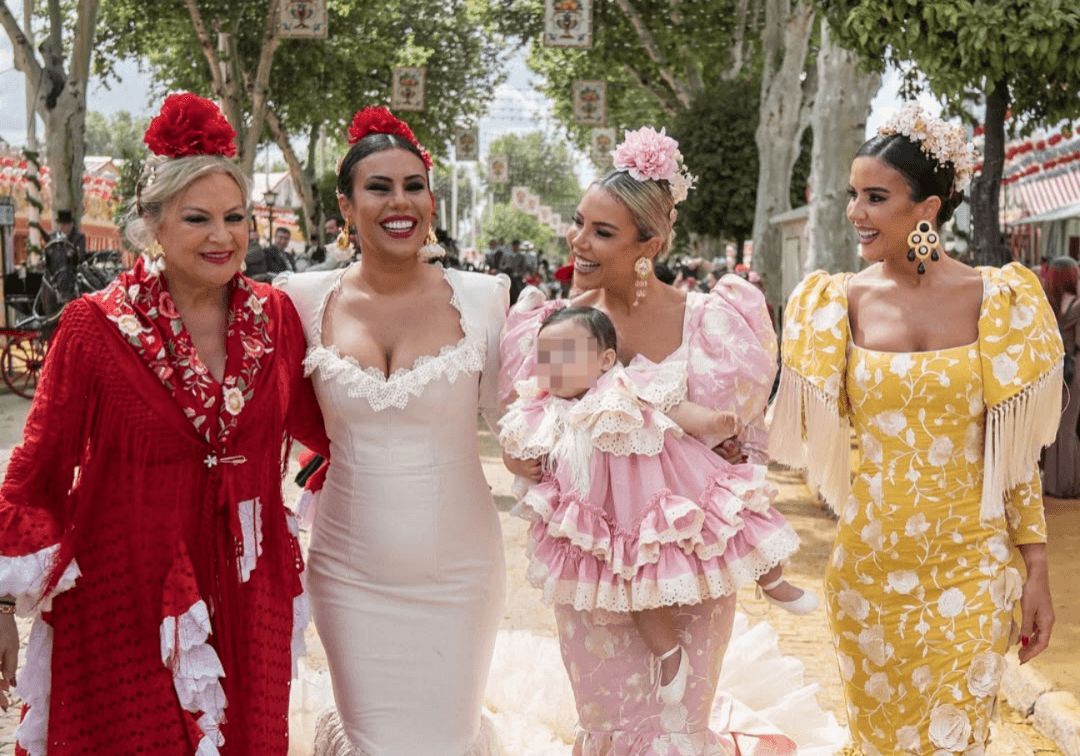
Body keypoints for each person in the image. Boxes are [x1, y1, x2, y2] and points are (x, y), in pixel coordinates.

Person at [0, 92, 327, 754]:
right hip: (124, 596)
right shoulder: (94, 327)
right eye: (197, 218)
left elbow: (329, 434)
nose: (222, 236)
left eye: (235, 218)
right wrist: (3, 606)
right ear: (152, 226)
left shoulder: (278, 318)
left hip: (250, 589)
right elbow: (37, 469)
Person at [500, 126, 802, 752]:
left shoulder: (713, 322)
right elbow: (527, 446)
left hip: (690, 570)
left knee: (680, 727)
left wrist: (717, 439)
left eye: (601, 232)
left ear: (651, 244)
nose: (579, 242)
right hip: (594, 568)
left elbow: (736, 448)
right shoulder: (554, 328)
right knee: (609, 723)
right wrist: (531, 450)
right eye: (580, 223)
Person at [771, 103, 1059, 754]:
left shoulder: (1001, 299)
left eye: (875, 197)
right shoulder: (833, 303)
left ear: (926, 207)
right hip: (869, 575)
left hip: (971, 570)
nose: (855, 213)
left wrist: (1035, 570)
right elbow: (792, 435)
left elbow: (1013, 456)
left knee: (956, 742)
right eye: (852, 196)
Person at [277, 106, 508, 755]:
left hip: (463, 573)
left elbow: (526, 429)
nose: (399, 201)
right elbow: (265, 417)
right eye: (379, 187)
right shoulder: (298, 297)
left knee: (446, 738)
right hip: (350, 575)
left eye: (414, 185)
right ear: (346, 206)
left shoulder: (488, 297)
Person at [501, 304, 813, 700]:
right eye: (546, 357)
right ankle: (669, 655)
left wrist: (711, 422)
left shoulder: (624, 386)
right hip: (615, 521)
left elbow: (675, 409)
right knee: (638, 586)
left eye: (567, 353)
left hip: (670, 488)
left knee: (734, 514)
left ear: (605, 360)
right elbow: (515, 442)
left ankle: (773, 579)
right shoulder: (543, 408)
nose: (554, 366)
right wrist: (518, 462)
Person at [1043, 256, 1080, 497]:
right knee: (1069, 427)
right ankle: (1069, 484)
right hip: (1074, 369)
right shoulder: (1077, 306)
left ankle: (1054, 484)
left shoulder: (1049, 305)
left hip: (1053, 371)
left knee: (1055, 426)